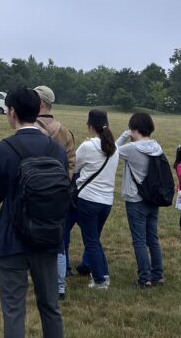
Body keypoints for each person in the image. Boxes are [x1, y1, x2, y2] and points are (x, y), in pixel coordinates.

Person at [0, 86, 66, 338]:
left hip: (12, 236)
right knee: (50, 306)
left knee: (13, 308)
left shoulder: (3, 149)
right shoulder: (56, 149)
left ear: (12, 112)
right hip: (47, 234)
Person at [33, 85, 76, 298]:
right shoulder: (65, 131)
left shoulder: (30, 128)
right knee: (58, 240)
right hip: (59, 193)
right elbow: (71, 163)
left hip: (35, 192)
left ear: (40, 103)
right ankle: (59, 286)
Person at [116, 113, 165, 288]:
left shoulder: (131, 148)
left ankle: (145, 278)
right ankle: (158, 275)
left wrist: (124, 136)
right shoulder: (156, 146)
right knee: (152, 238)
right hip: (152, 198)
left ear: (133, 128)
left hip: (135, 199)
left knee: (139, 240)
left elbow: (111, 150)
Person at [72, 109, 118, 290]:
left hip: (88, 199)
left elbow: (74, 166)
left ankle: (100, 279)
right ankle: (103, 274)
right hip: (106, 201)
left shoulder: (88, 146)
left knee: (90, 241)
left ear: (91, 127)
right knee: (94, 240)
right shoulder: (114, 149)